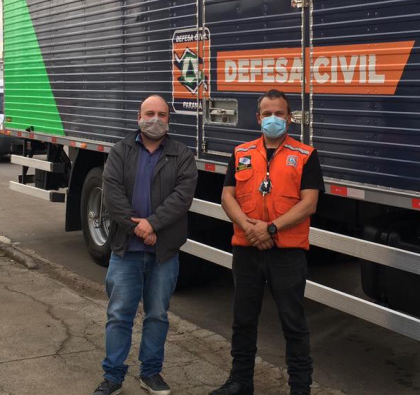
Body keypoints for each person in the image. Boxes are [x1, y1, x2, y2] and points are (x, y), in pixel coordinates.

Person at [211, 89, 324, 395]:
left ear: (289, 117)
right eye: (268, 114)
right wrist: (250, 228)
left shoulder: (305, 155)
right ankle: (240, 381)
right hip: (247, 248)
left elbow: (308, 203)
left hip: (287, 253)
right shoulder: (241, 152)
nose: (273, 119)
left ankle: (300, 387)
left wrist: (270, 229)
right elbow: (227, 196)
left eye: (280, 113)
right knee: (243, 319)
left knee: (293, 323)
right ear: (258, 117)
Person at [92, 94, 197, 395]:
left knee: (157, 315)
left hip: (164, 252)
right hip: (126, 249)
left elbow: (182, 197)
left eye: (162, 114)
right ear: (138, 117)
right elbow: (112, 194)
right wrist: (139, 229)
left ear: (169, 119)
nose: (155, 119)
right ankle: (112, 377)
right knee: (119, 314)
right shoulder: (120, 151)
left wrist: (153, 224)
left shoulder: (182, 154)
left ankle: (150, 373)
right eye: (149, 113)